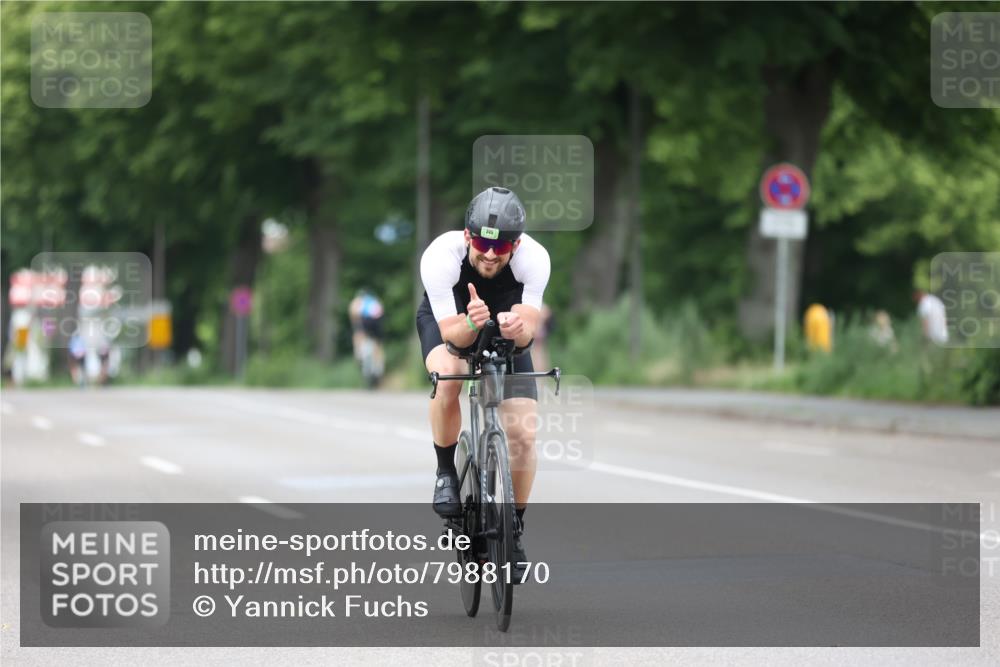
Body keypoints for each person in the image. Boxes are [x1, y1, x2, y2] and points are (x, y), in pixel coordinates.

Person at [416, 186, 550, 572]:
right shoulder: (441, 257)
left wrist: (515, 328)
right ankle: (445, 471)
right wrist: (472, 322)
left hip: (507, 325)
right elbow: (453, 338)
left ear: (517, 244)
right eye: (481, 243)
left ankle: (514, 528)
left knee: (523, 436)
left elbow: (527, 338)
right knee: (451, 376)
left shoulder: (535, 260)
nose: (490, 254)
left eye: (502, 246)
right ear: (466, 236)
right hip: (453, 321)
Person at [348, 288, 385, 387]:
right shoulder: (374, 301)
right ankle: (378, 366)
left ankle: (359, 354)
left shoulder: (358, 301)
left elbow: (353, 315)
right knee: (378, 343)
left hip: (364, 320)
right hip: (377, 321)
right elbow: (381, 312)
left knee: (358, 334)